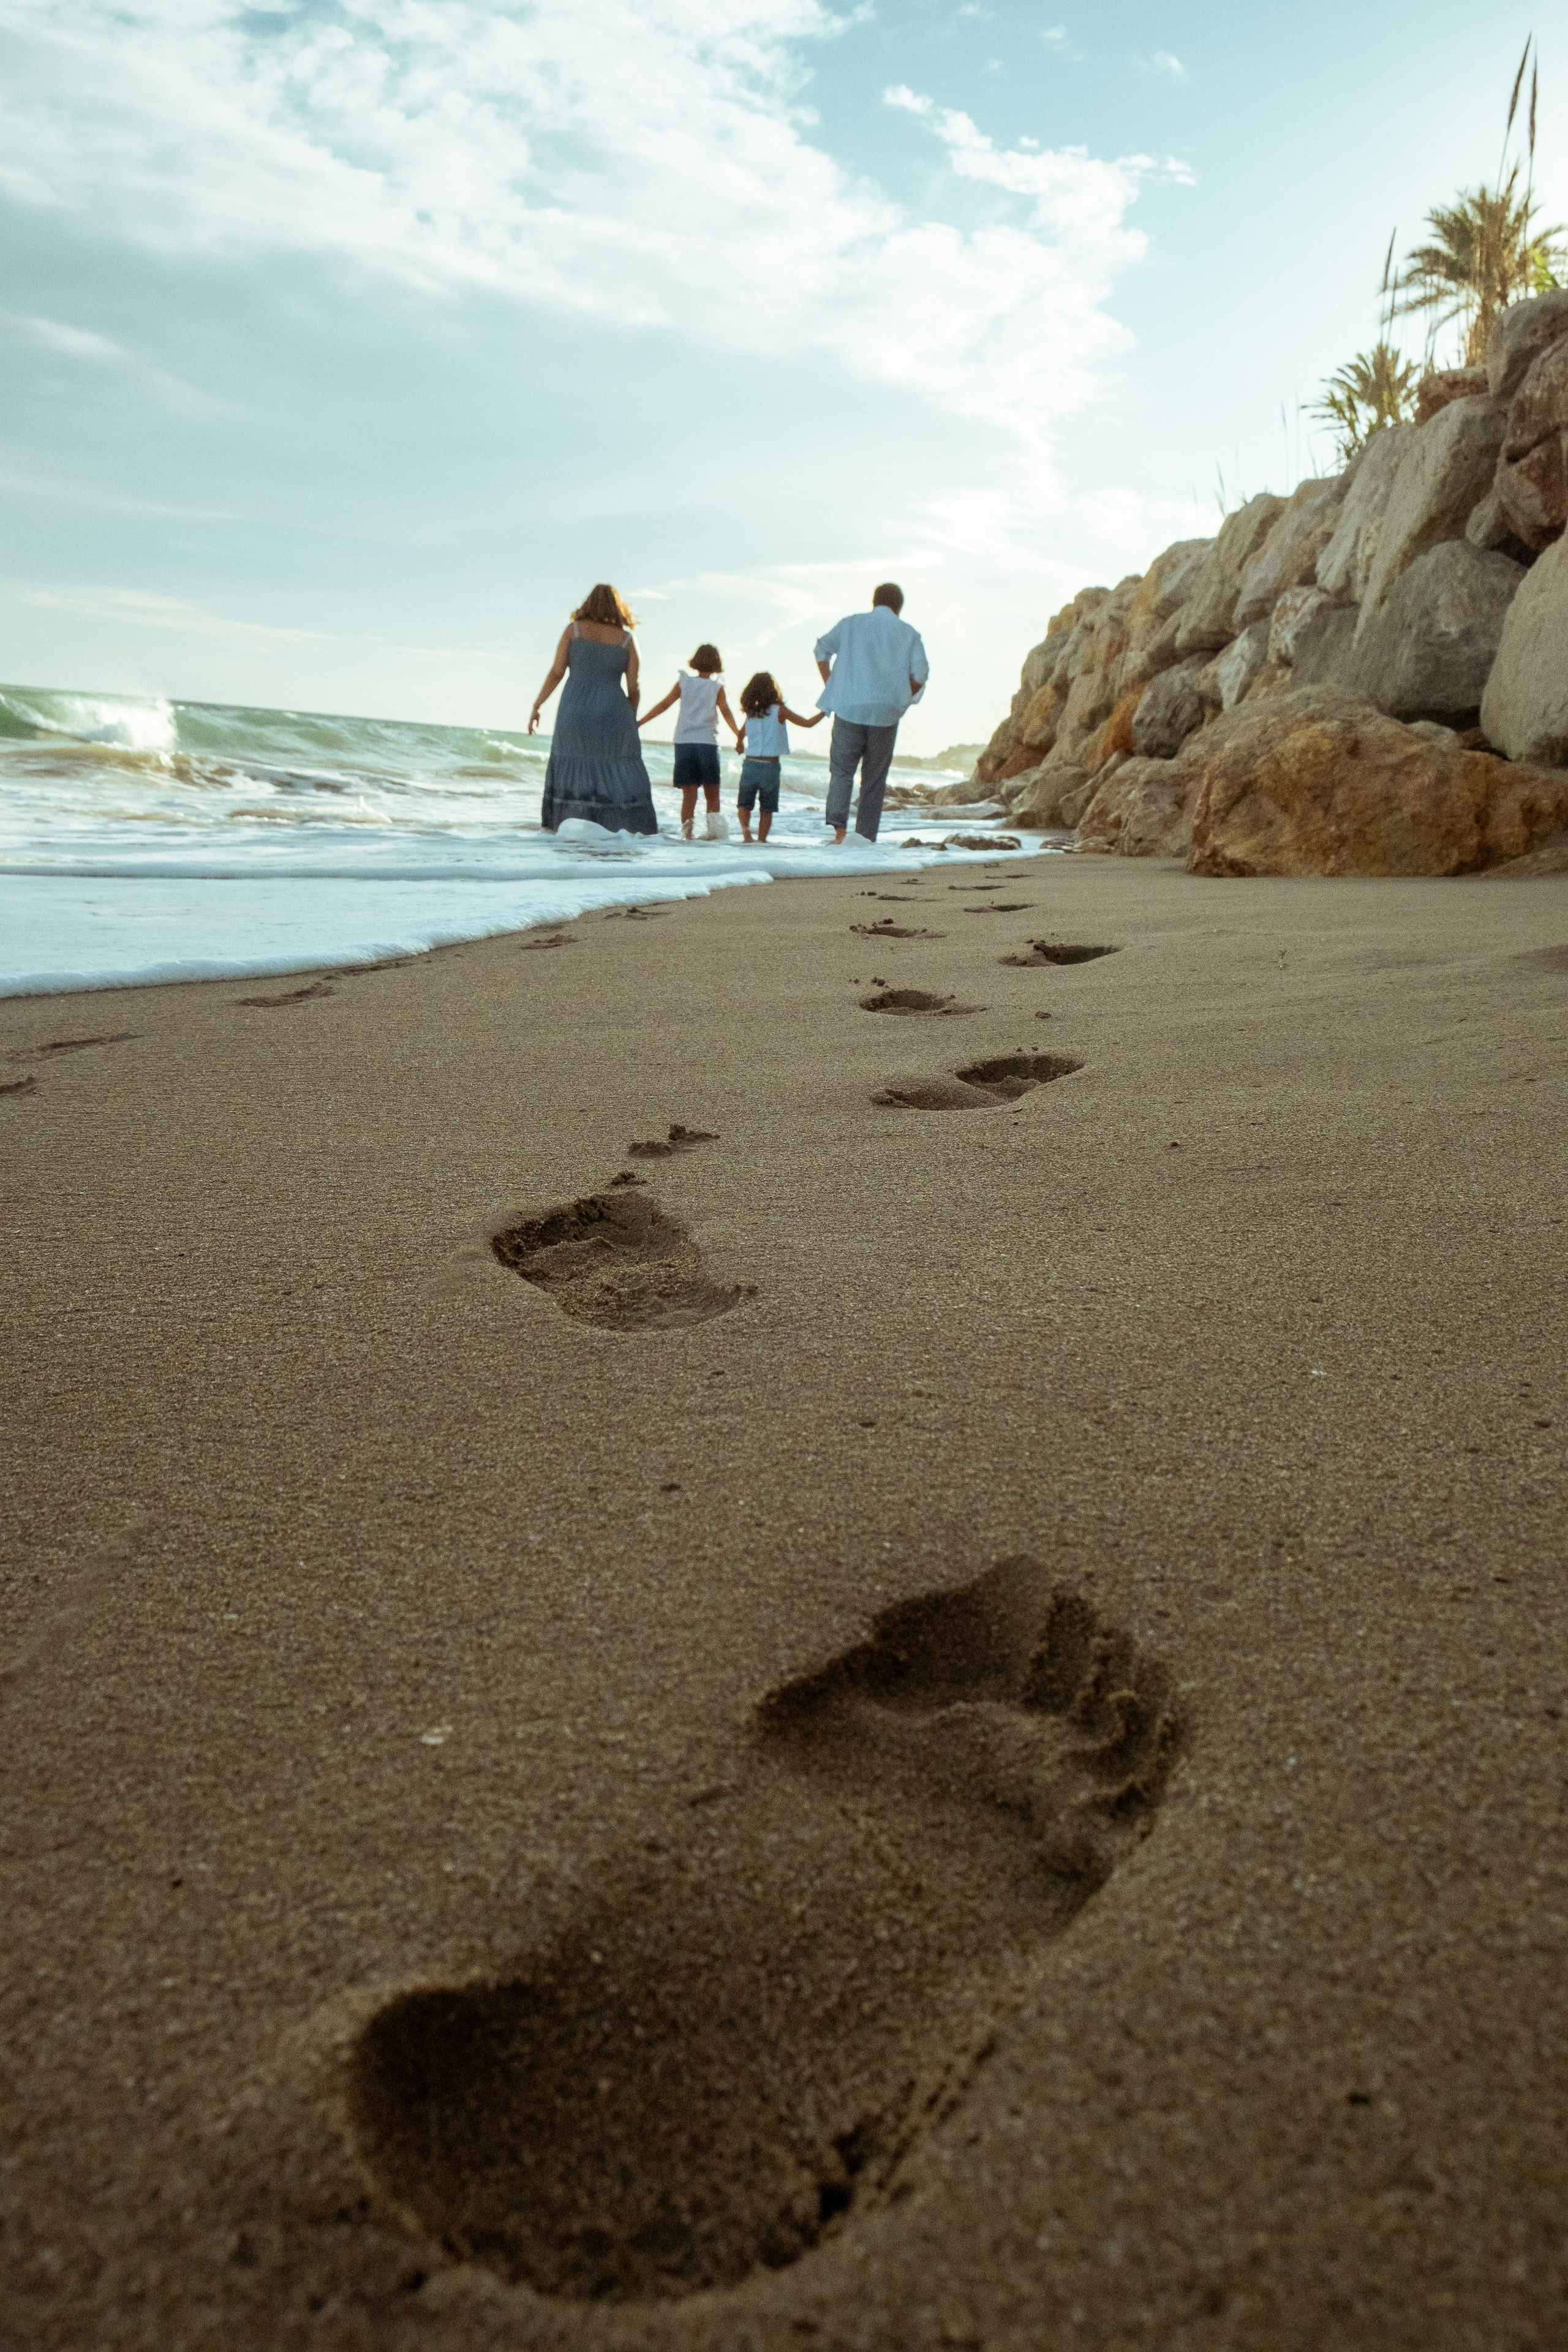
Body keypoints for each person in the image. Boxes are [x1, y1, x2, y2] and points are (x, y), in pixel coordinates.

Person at [529, 584, 657, 835]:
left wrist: (537, 705)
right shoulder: (628, 640)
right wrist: (630, 716)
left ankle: (565, 829)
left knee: (572, 763)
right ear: (618, 607)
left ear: (588, 603)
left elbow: (556, 673)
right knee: (616, 767)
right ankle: (619, 830)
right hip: (613, 711)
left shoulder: (573, 631)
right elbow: (635, 686)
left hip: (573, 709)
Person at [813, 582, 929, 843]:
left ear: (873, 601)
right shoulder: (909, 633)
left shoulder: (851, 623)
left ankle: (838, 833)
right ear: (899, 607)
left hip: (849, 708)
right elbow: (921, 673)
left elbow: (821, 649)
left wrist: (833, 685)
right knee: (874, 779)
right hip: (886, 715)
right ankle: (865, 838)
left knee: (842, 772)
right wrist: (899, 696)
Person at [638, 644, 742, 839]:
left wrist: (641, 722)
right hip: (707, 745)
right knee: (712, 794)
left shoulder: (684, 683)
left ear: (695, 662)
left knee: (689, 796)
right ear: (717, 664)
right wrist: (738, 734)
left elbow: (664, 704)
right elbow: (726, 712)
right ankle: (714, 835)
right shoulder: (717, 687)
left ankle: (688, 837)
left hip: (684, 744)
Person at [734, 671, 823, 842]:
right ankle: (761, 841)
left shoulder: (751, 712)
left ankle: (746, 834)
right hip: (770, 767)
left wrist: (739, 745)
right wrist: (825, 712)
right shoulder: (779, 711)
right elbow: (807, 723)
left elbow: (741, 733)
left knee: (744, 804)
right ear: (773, 690)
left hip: (750, 765)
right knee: (767, 808)